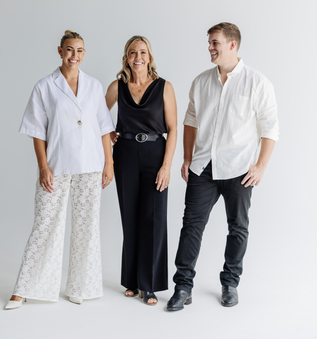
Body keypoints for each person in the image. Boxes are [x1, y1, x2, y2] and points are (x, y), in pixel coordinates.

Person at [167, 22, 280, 311]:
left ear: (232, 44)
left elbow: (270, 128)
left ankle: (230, 283)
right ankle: (183, 286)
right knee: (191, 227)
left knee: (238, 228)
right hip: (203, 167)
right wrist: (187, 158)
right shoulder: (201, 81)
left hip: (239, 168)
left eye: (215, 42)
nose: (210, 48)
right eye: (209, 43)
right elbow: (190, 121)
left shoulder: (257, 82)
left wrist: (261, 166)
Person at [7, 31, 117, 309]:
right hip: (57, 165)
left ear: (84, 53)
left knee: (86, 226)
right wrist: (43, 166)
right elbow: (36, 131)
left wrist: (109, 163)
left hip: (91, 165)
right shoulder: (45, 87)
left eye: (79, 50)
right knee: (45, 224)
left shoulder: (94, 86)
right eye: (69, 50)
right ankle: (24, 289)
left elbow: (104, 127)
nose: (74, 55)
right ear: (60, 51)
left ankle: (80, 287)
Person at [108, 35, 179, 306]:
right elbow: (97, 116)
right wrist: (109, 133)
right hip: (125, 154)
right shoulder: (117, 86)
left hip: (154, 155)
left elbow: (173, 129)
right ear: (126, 58)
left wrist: (166, 167)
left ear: (149, 57)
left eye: (143, 52)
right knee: (130, 217)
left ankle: (147, 285)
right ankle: (131, 280)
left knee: (153, 218)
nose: (138, 57)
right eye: (132, 52)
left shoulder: (164, 87)